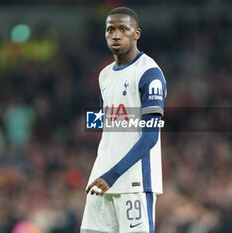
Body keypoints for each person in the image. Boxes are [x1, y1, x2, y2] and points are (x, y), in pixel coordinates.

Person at [81, 7, 167, 233]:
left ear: (136, 33)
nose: (116, 35)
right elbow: (108, 124)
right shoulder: (104, 75)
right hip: (101, 180)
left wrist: (112, 175)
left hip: (134, 183)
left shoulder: (150, 73)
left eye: (123, 29)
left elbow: (150, 137)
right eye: (110, 29)